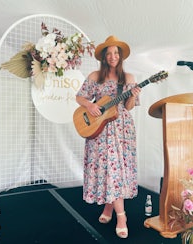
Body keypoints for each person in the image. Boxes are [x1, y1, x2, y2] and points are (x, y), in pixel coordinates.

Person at [75, 35, 141, 239]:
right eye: (109, 53)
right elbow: (79, 96)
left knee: (117, 171)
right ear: (104, 57)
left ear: (120, 56)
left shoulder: (128, 78)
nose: (113, 56)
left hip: (121, 130)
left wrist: (134, 96)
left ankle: (121, 216)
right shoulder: (96, 76)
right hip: (100, 128)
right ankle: (109, 209)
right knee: (106, 170)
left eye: (116, 53)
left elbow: (128, 107)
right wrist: (90, 105)